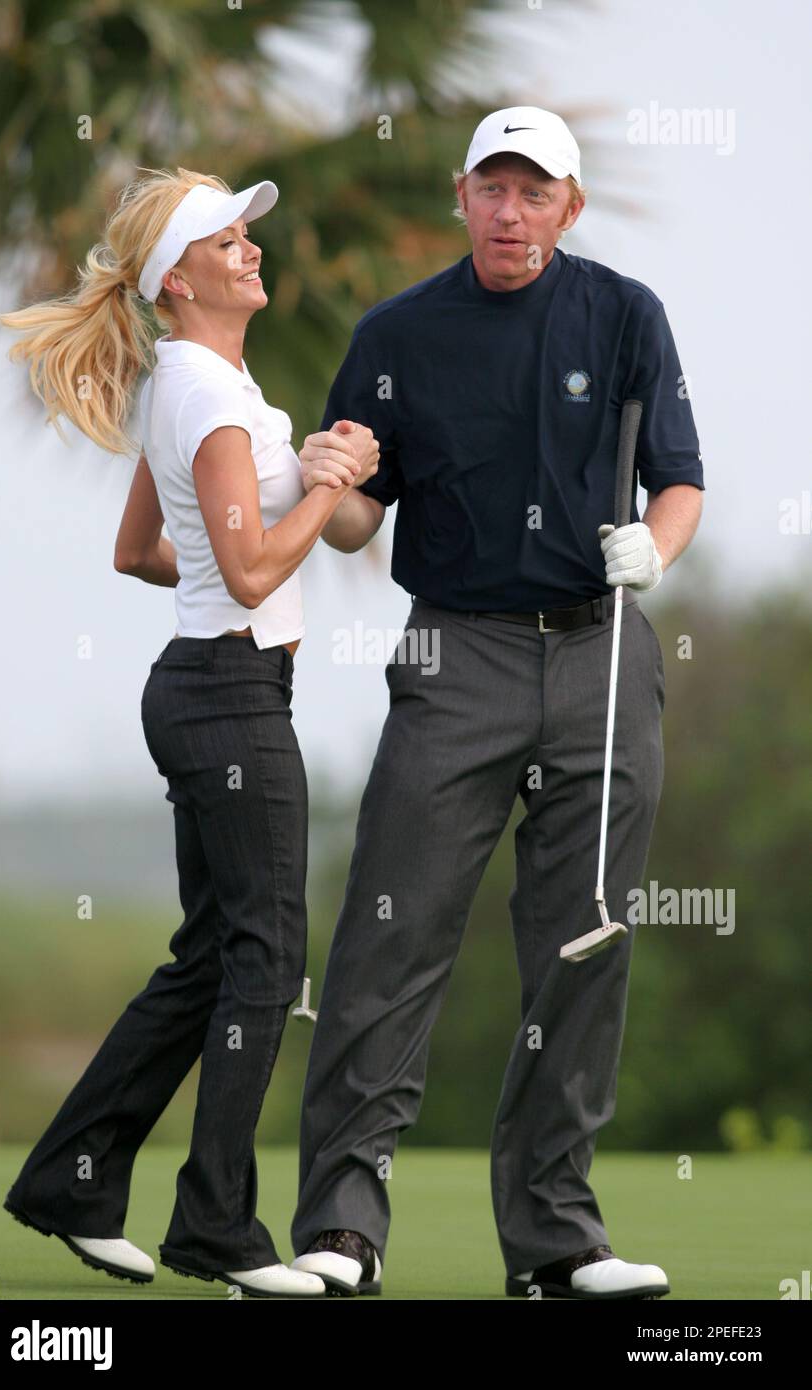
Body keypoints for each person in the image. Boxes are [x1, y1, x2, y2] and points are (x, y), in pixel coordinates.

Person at [289, 107, 704, 1299]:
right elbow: (367, 515)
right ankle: (340, 1231)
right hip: (453, 654)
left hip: (601, 651)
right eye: (494, 189)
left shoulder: (623, 313)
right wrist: (337, 487)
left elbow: (677, 478)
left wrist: (653, 551)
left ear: (569, 207)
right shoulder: (396, 333)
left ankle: (555, 1243)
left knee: (582, 941)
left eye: (536, 193)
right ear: (460, 195)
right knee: (390, 931)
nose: (512, 213)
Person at [0, 166, 377, 1297]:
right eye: (227, 240)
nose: (252, 248)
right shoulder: (207, 395)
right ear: (178, 278)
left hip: (206, 685)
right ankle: (215, 1226)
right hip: (228, 695)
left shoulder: (206, 384)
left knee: (213, 955)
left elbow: (144, 551)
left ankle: (72, 1179)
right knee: (264, 961)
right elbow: (257, 568)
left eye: (246, 233)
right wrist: (319, 490)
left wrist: (299, 498)